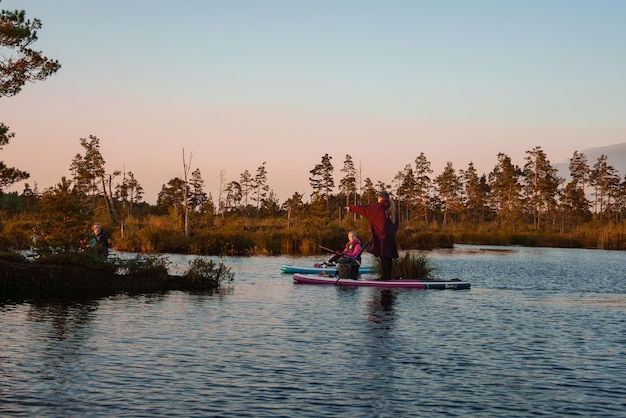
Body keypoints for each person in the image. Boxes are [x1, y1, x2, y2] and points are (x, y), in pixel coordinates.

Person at [346, 191, 398, 280]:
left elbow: (365, 209)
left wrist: (351, 208)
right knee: (387, 256)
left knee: (384, 255)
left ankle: (386, 278)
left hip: (381, 235)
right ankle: (387, 276)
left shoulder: (378, 207)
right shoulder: (392, 208)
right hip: (390, 236)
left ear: (380, 198)